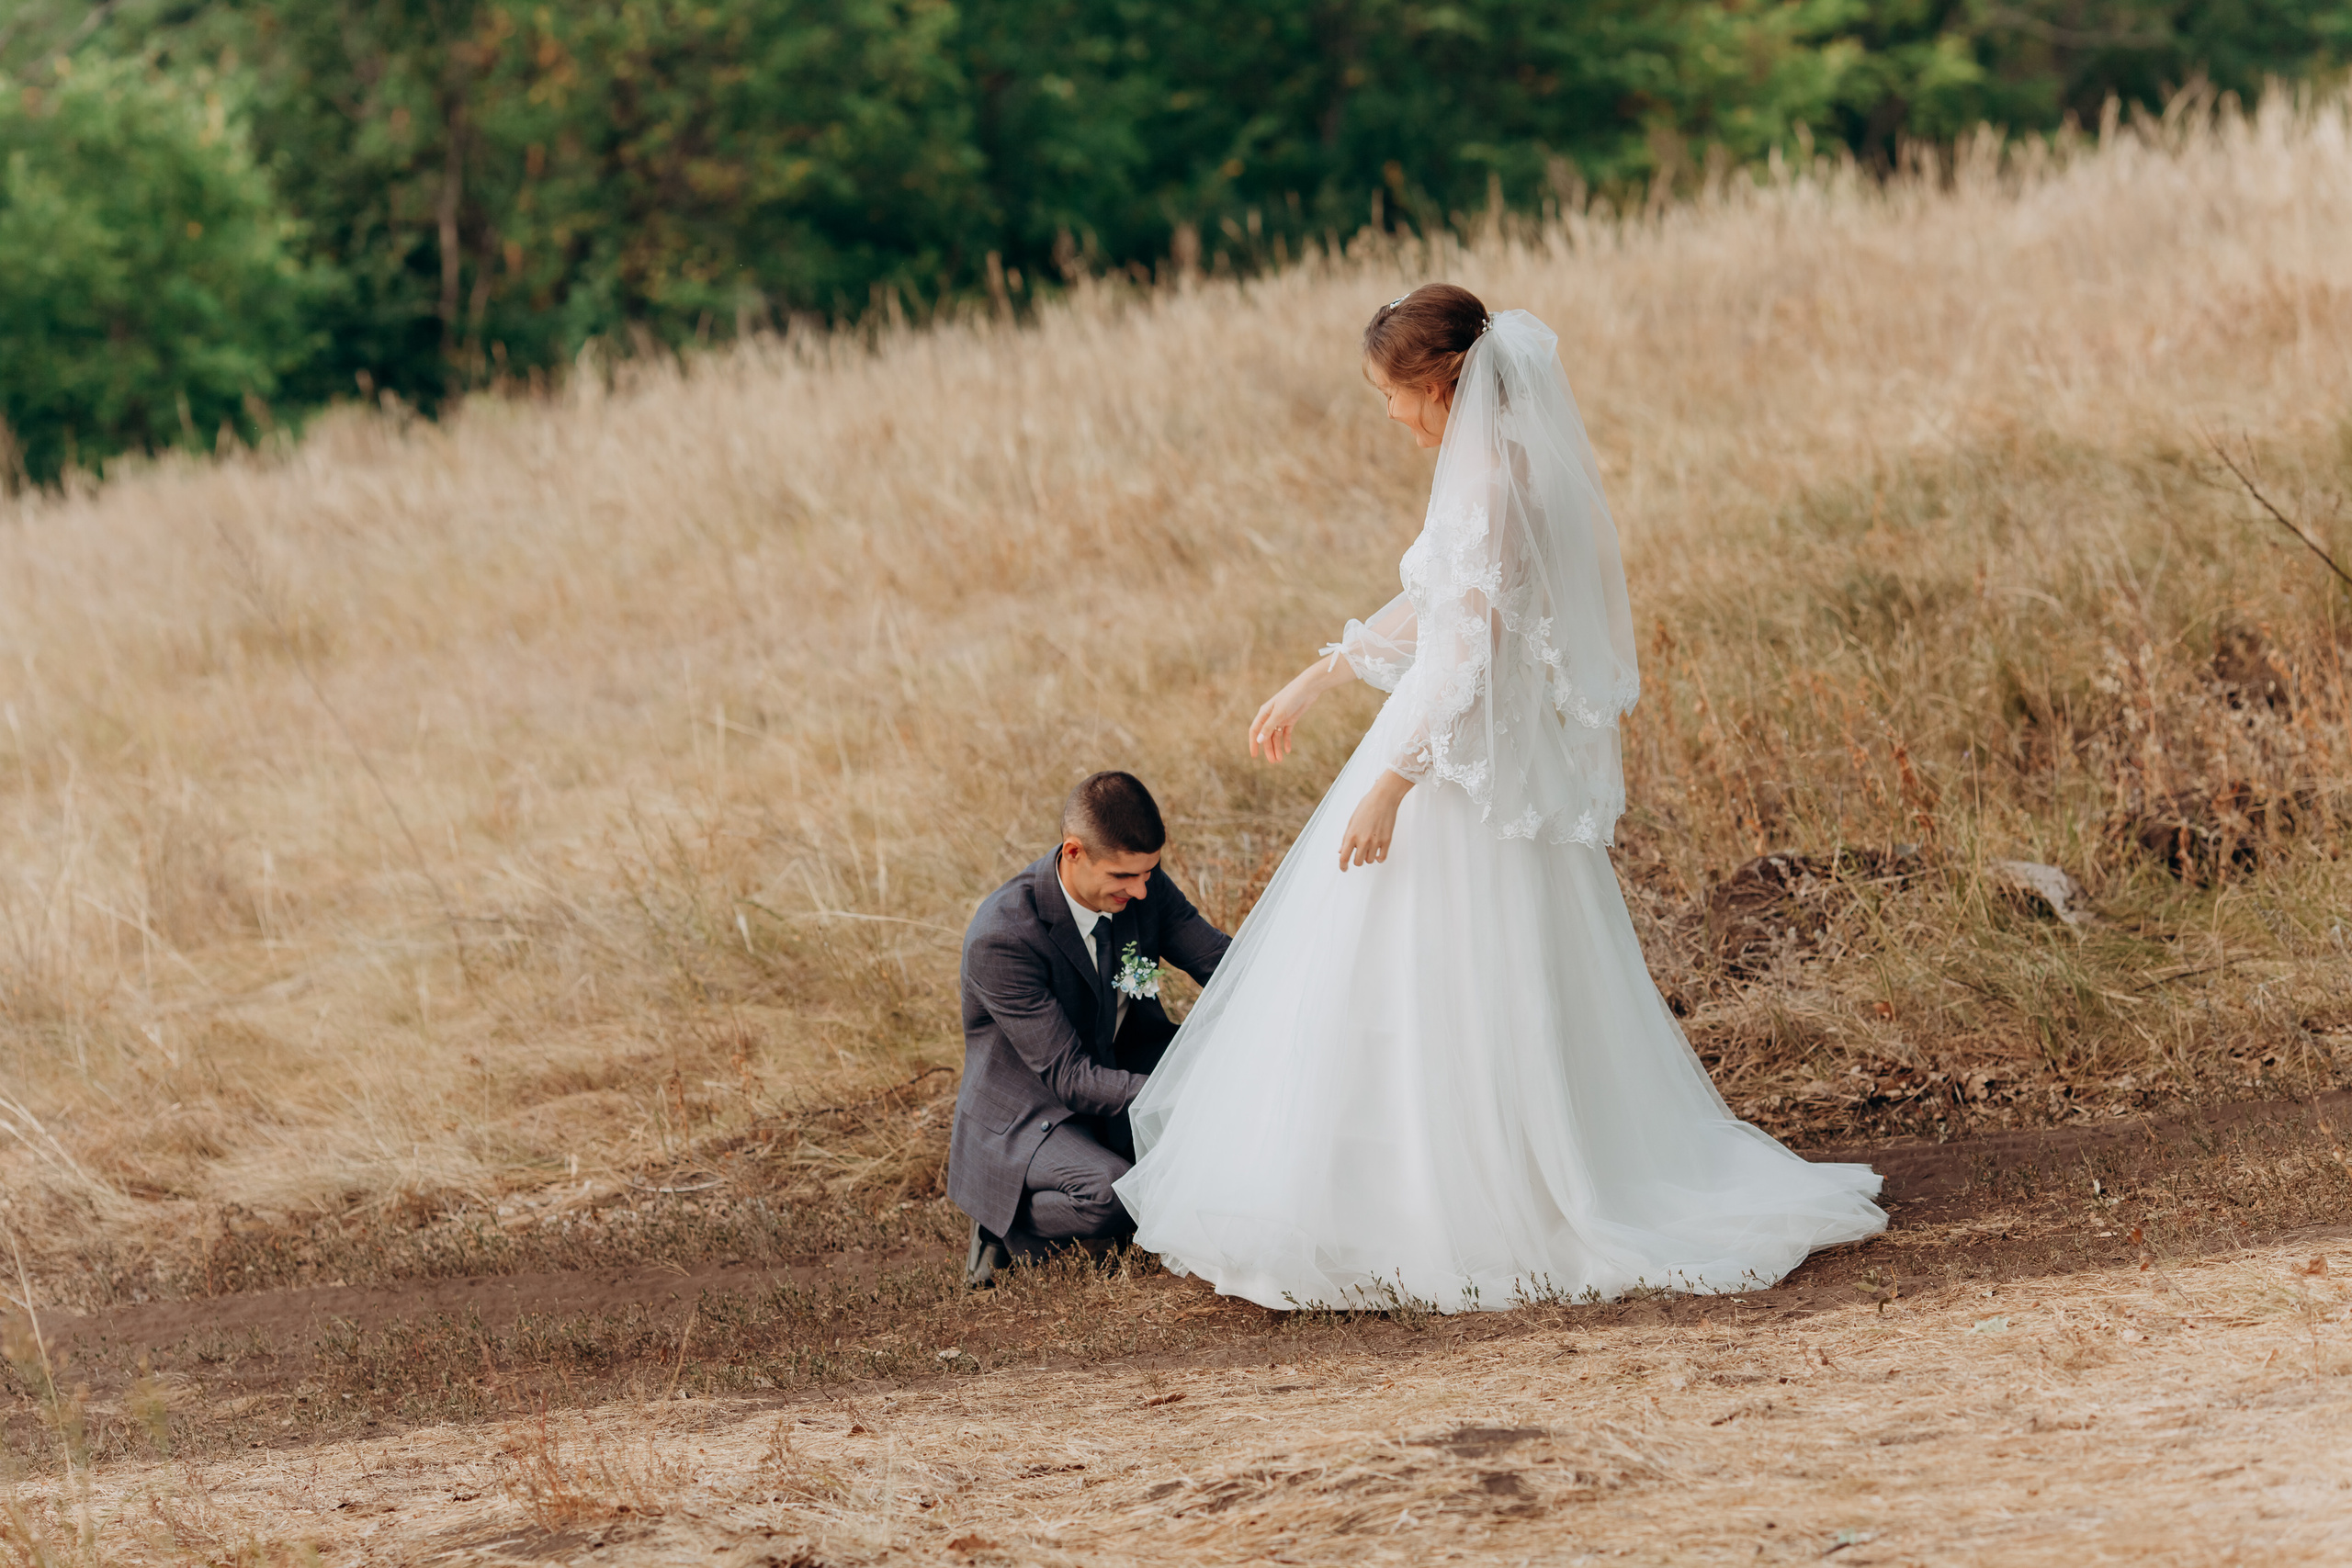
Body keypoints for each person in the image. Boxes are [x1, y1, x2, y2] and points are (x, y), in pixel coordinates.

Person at [1113, 285, 1886, 1312]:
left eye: (1386, 392)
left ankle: (1453, 1206)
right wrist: (1324, 672)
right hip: (1457, 753)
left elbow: (1466, 654)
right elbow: (1432, 606)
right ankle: (1405, 1187)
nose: (1384, 412)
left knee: (1437, 973)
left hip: (1452, 771)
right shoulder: (1495, 467)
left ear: (1437, 385)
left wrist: (1390, 784)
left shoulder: (1485, 482)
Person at [948, 770, 1231, 1288]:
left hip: (1120, 1066)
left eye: (1150, 872)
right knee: (1115, 1194)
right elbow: (1069, 1077)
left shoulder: (1141, 886)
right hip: (1033, 1107)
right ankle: (1000, 1220)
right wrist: (1183, 1095)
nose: (1141, 890)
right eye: (1123, 877)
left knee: (1208, 1146)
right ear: (1073, 852)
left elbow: (1216, 959)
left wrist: (1293, 1000)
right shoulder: (1003, 937)